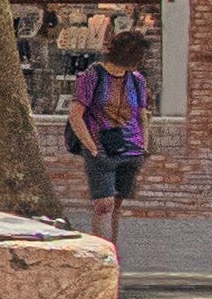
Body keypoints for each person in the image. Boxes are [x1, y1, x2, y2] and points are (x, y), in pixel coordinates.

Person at [64, 31, 158, 235]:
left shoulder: (137, 80)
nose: (141, 60)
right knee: (103, 204)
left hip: (130, 148)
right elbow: (75, 115)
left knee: (116, 205)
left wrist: (144, 144)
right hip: (100, 146)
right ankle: (103, 251)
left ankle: (111, 250)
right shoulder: (92, 76)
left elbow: (142, 115)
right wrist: (91, 147)